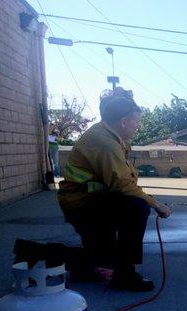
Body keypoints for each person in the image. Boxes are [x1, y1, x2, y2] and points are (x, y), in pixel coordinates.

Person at [57, 87, 171, 292]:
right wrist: (156, 204)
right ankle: (125, 274)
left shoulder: (107, 136)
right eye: (136, 122)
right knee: (137, 208)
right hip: (85, 205)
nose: (137, 127)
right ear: (124, 122)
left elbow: (122, 181)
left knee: (101, 259)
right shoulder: (106, 144)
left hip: (90, 200)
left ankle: (85, 267)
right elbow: (123, 185)